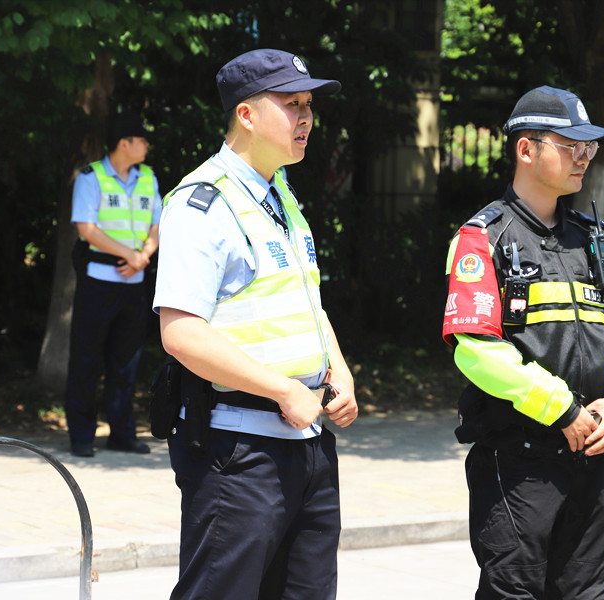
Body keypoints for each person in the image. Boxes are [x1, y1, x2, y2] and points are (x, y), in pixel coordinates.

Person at [152, 48, 358, 599]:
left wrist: (339, 371)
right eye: (292, 105)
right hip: (238, 451)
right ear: (246, 114)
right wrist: (285, 390)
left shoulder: (280, 194)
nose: (306, 118)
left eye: (309, 104)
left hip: (308, 444)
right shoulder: (202, 203)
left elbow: (307, 302)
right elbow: (181, 333)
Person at [442, 85, 604, 598]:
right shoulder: (482, 239)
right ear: (526, 149)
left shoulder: (597, 240)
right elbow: (476, 347)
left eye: (590, 147)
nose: (584, 157)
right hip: (518, 463)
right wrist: (561, 408)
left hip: (591, 461)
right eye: (571, 146)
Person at [65, 112, 161, 457]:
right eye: (142, 139)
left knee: (126, 362)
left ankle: (122, 434)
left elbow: (157, 224)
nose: (147, 145)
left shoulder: (148, 177)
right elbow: (86, 228)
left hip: (134, 282)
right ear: (125, 143)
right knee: (86, 360)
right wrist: (130, 255)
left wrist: (143, 255)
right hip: (99, 280)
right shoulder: (91, 177)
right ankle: (81, 435)